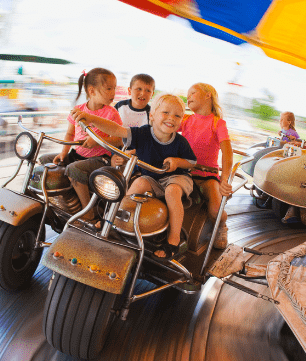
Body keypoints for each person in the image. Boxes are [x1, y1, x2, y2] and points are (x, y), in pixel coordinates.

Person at [71, 94, 197, 259]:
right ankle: (113, 220)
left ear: (181, 120)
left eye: (177, 115)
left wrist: (177, 162)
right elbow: (117, 129)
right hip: (153, 178)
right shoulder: (142, 133)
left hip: (176, 178)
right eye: (165, 112)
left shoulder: (180, 142)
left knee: (172, 191)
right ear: (152, 115)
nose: (171, 118)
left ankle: (174, 239)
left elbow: (191, 162)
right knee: (137, 184)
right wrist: (92, 119)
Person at [39, 68, 123, 223]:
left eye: (114, 88)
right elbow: (70, 134)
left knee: (73, 169)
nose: (113, 93)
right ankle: (63, 199)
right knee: (44, 159)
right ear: (91, 90)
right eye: (109, 88)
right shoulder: (78, 110)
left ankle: (88, 211)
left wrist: (97, 140)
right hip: (77, 154)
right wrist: (64, 152)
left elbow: (119, 139)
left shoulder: (112, 113)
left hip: (100, 158)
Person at [181, 83, 233, 250]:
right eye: (188, 94)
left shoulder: (218, 123)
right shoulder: (186, 119)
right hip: (184, 172)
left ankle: (220, 226)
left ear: (208, 95)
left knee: (215, 210)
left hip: (207, 176)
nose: (188, 97)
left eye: (193, 93)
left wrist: (224, 179)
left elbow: (227, 153)